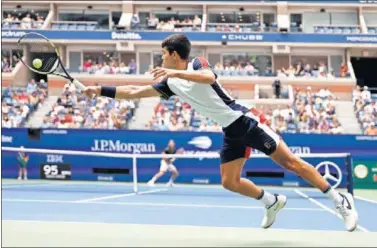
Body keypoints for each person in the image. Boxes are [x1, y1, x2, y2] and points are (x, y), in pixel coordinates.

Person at [84, 34, 358, 232]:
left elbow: (209, 79)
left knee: (292, 164)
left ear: (174, 55)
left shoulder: (196, 65)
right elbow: (133, 93)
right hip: (230, 131)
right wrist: (100, 91)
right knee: (229, 182)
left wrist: (172, 73)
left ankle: (338, 198)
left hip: (247, 121)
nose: (161, 57)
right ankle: (271, 201)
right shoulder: (171, 84)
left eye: (164, 53)